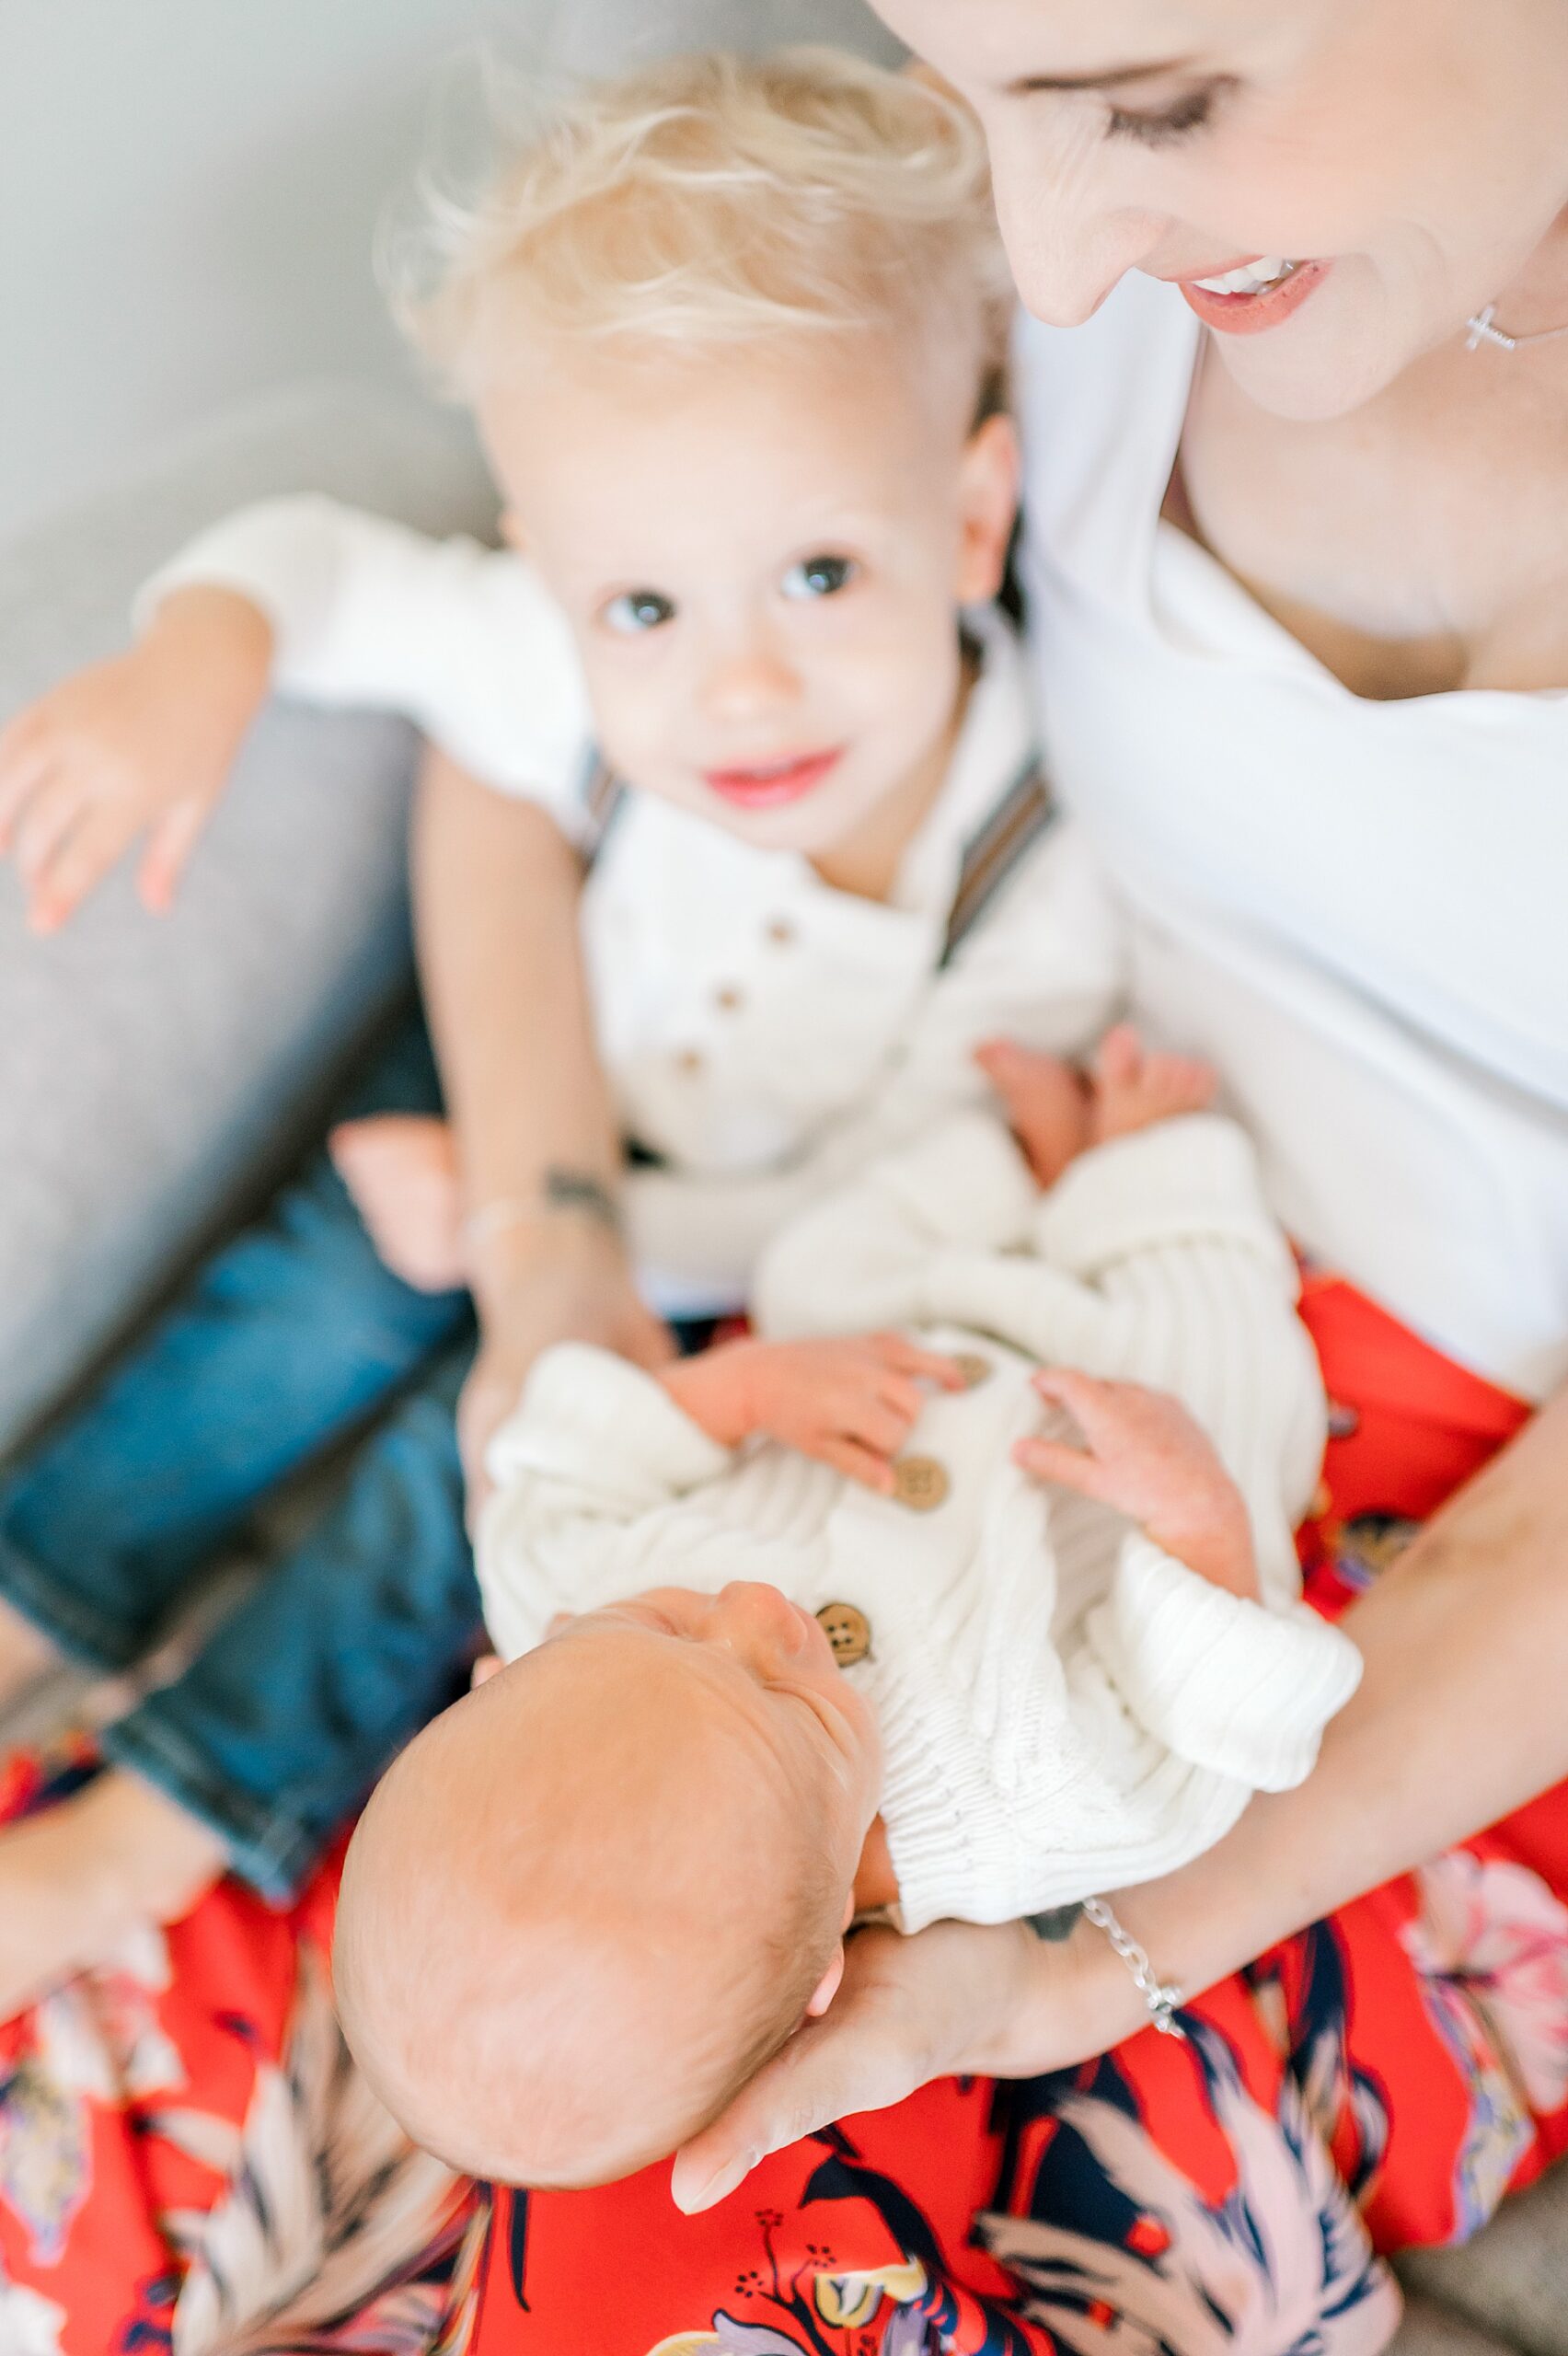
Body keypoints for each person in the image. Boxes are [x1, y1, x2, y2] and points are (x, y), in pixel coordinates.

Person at [4, 1, 1568, 2346]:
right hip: (916, 1302)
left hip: (1394, 1572)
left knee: (742, 2212)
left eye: (1147, 107)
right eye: (983, 110)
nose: (1044, 262)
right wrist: (558, 1250)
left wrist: (1079, 1953)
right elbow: (524, 715)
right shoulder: (1043, 308)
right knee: (418, 2012)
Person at [0, 51, 1121, 2016]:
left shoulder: (1031, 863)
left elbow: (900, 1186)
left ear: (971, 515)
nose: (740, 685)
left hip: (721, 1260)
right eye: (645, 609)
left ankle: (161, 1822)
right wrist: (201, 658)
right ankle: (35, 1595)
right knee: (300, 1298)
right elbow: (323, 564)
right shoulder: (561, 652)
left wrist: (593, 1245)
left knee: (494, 1480)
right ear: (552, 562)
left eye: (822, 570)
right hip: (493, 1107)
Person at [334, 1031, 1359, 2192]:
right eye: (790, 1693)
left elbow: (566, 1460)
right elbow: (1211, 1731)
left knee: (816, 1267)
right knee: (1232, 1382)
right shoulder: (1020, 1804)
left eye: (669, 1622)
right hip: (1104, 1453)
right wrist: (1193, 1520)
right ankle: (1139, 1180)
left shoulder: (551, 1589)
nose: (760, 1609)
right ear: (824, 1964)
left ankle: (1014, 1162)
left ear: (504, 1676)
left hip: (877, 1358)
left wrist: (743, 1391)